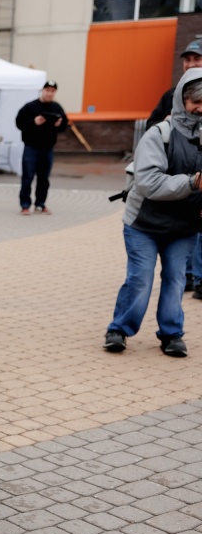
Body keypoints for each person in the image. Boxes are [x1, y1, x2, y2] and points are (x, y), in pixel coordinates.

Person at [104, 68, 202, 358]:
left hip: (183, 227)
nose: (200, 108)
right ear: (181, 100)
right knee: (141, 279)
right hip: (143, 224)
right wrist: (193, 182)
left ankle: (171, 335)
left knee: (175, 280)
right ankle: (118, 330)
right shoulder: (159, 134)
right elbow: (148, 182)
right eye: (195, 102)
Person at [145, 40, 202, 294]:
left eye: (196, 59)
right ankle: (188, 275)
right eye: (187, 60)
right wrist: (166, 123)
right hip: (176, 177)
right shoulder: (171, 95)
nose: (191, 64)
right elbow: (152, 126)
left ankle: (196, 278)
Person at [15, 80, 66, 215]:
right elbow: (19, 123)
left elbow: (64, 124)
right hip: (31, 148)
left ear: (55, 93)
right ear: (42, 91)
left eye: (52, 91)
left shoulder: (57, 108)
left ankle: (40, 204)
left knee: (44, 178)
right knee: (28, 177)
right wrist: (34, 122)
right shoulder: (30, 107)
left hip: (47, 148)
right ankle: (25, 205)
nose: (49, 93)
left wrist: (58, 125)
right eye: (47, 90)